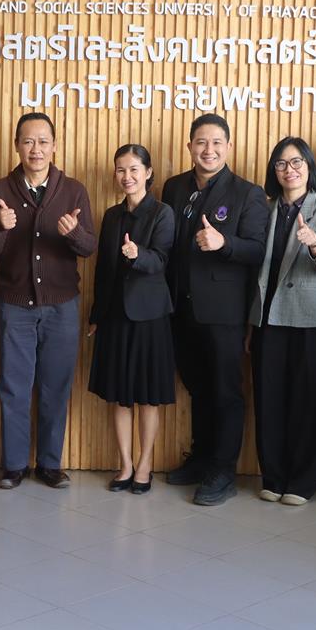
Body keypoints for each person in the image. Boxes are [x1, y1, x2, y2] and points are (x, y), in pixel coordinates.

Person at [0, 113, 97, 490]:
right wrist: (0, 227)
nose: (36, 149)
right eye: (28, 141)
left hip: (62, 305)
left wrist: (74, 233)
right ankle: (14, 465)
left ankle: (49, 463)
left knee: (55, 386)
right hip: (15, 305)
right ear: (17, 145)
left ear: (55, 146)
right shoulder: (0, 189)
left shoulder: (74, 190)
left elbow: (89, 247)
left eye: (43, 141)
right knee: (13, 386)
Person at [160, 115, 270, 506]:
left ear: (228, 147)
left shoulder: (248, 193)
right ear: (190, 146)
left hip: (223, 312)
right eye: (201, 142)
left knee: (225, 391)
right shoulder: (174, 187)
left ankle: (223, 471)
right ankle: (202, 457)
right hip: (181, 308)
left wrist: (225, 243)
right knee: (197, 386)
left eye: (216, 143)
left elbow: (258, 250)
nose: (209, 150)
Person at [251, 137, 316, 507]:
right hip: (268, 317)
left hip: (312, 319)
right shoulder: (265, 207)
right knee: (269, 399)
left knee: (310, 402)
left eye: (296, 162)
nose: (289, 170)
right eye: (281, 163)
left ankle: (304, 481)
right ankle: (273, 476)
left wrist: (315, 243)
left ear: (309, 166)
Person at [87, 144, 176, 495]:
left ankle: (145, 464)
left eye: (134, 169)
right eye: (121, 169)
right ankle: (125, 464)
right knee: (120, 396)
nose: (127, 176)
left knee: (148, 397)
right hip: (114, 317)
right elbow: (103, 270)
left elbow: (162, 260)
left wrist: (138, 255)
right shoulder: (111, 216)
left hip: (150, 316)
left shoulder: (163, 213)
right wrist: (96, 315)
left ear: (148, 172)